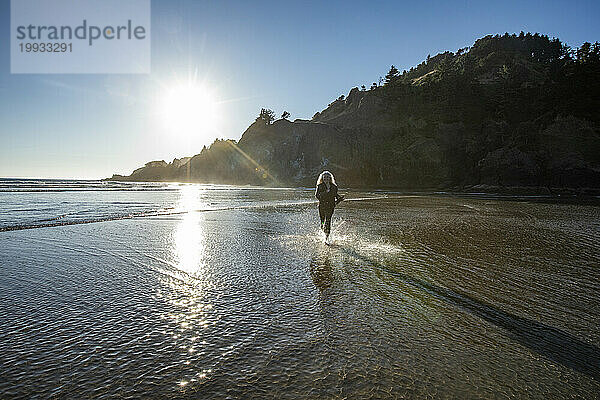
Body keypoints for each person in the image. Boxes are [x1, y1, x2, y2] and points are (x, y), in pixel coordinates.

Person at [315, 171, 344, 241]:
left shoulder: (334, 187)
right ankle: (322, 232)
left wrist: (340, 198)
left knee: (328, 220)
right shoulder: (320, 186)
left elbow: (335, 195)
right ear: (322, 178)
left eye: (328, 177)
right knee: (322, 220)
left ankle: (327, 237)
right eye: (325, 177)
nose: (326, 178)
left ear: (330, 178)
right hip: (322, 206)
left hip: (330, 206)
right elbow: (317, 196)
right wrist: (326, 192)